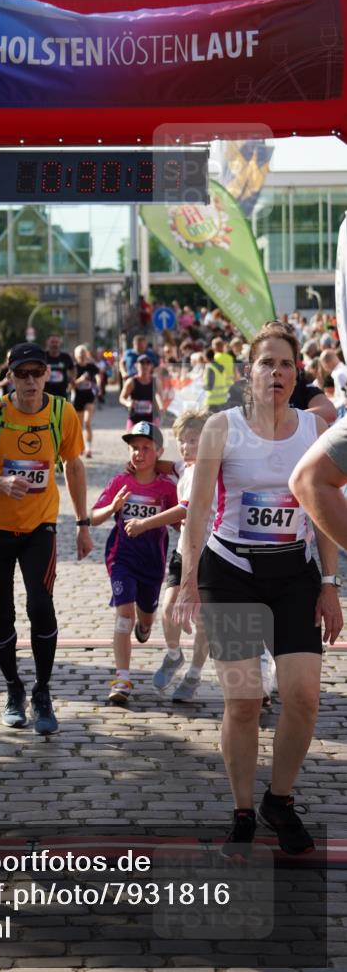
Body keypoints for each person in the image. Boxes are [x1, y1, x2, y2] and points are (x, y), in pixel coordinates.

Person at [175, 322, 343, 858]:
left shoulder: (315, 426)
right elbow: (198, 512)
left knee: (303, 697)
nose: (276, 372)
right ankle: (244, 810)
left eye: (286, 364)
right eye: (266, 363)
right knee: (244, 701)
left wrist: (329, 584)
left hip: (293, 574)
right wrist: (187, 583)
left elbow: (321, 511)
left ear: (299, 374)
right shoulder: (221, 429)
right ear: (249, 372)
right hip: (231, 576)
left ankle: (281, 799)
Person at [0, 342, 93, 735]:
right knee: (0, 613)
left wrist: (83, 524)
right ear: (11, 376)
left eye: (38, 373)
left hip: (40, 526)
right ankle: (13, 688)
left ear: (48, 374)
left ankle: (43, 691)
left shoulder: (60, 411)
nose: (31, 380)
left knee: (41, 604)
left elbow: (73, 464)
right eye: (23, 374)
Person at [124, 410, 214, 702]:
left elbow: (184, 509)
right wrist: (141, 462)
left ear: (209, 441)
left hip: (210, 552)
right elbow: (166, 464)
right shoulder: (184, 466)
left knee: (204, 621)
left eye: (193, 440)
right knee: (167, 609)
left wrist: (144, 524)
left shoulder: (206, 470)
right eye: (182, 441)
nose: (186, 447)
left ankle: (194, 674)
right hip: (182, 550)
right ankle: (175, 655)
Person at [91, 422, 178, 707]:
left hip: (153, 560)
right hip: (121, 558)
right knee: (124, 614)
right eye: (134, 448)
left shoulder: (167, 487)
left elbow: (180, 519)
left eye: (146, 448)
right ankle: (122, 678)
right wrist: (113, 508)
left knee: (145, 617)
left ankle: (145, 624)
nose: (139, 454)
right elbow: (93, 517)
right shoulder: (120, 482)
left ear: (158, 451)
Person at [290, 416, 347, 551]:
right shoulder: (231, 423)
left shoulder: (313, 423)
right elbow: (308, 482)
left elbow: (309, 481)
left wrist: (329, 572)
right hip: (235, 557)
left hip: (297, 558)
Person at [120, 355, 164, 429]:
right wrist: (128, 403)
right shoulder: (131, 382)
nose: (145, 365)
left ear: (151, 366)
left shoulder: (156, 382)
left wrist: (161, 407)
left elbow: (159, 397)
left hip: (152, 418)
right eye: (142, 363)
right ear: (136, 365)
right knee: (131, 439)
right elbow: (122, 398)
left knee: (152, 440)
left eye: (148, 363)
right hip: (135, 419)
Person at [72, 344, 99, 458]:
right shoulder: (74, 367)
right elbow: (71, 385)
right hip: (77, 398)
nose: (82, 357)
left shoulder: (91, 366)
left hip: (89, 397)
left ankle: (88, 448)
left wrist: (99, 385)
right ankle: (80, 446)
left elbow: (98, 375)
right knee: (79, 426)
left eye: (83, 354)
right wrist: (81, 380)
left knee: (87, 423)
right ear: (76, 356)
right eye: (80, 355)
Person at [44, 333, 75, 400]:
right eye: (52, 342)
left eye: (56, 342)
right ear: (47, 343)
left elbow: (72, 369)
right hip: (45, 395)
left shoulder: (66, 357)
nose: (54, 344)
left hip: (62, 394)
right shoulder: (43, 356)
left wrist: (71, 380)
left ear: (60, 343)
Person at [203, 348, 229, 412]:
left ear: (206, 357)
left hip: (212, 401)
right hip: (222, 400)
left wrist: (203, 386)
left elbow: (209, 387)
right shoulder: (222, 367)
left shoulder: (210, 368)